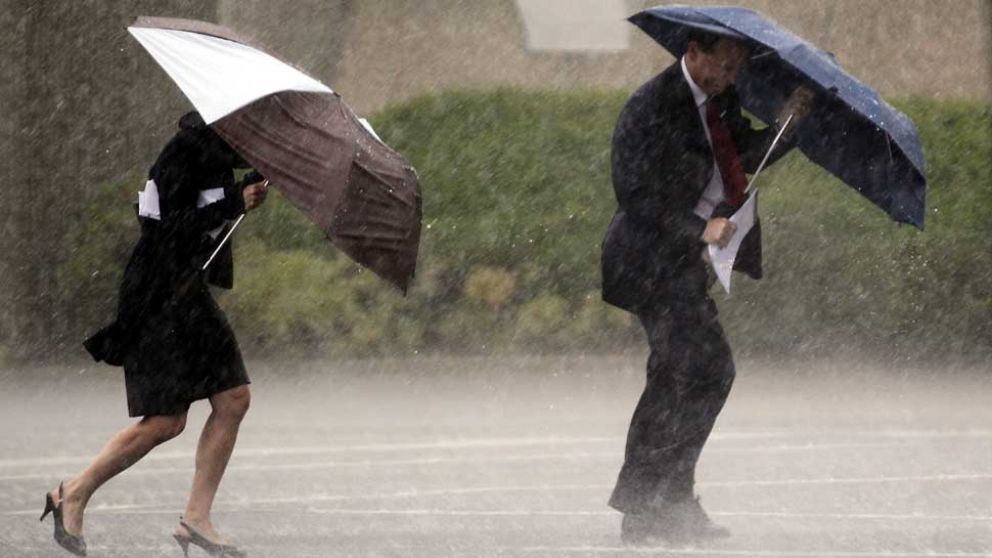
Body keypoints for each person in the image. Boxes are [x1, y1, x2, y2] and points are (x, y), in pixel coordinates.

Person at [601, 31, 813, 544]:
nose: (730, 77)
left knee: (679, 375)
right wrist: (697, 229)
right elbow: (632, 191)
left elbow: (739, 158)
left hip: (683, 265)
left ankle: (654, 503)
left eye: (736, 69)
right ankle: (661, 501)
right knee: (706, 369)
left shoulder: (721, 102)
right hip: (646, 261)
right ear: (692, 52)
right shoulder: (650, 106)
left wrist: (787, 126)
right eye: (723, 66)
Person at [40, 112, 268, 557]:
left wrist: (248, 194)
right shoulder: (184, 152)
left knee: (233, 399)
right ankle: (75, 492)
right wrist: (234, 203)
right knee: (166, 420)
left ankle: (196, 519)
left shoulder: (222, 159)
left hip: (188, 294)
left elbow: (207, 224)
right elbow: (162, 226)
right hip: (157, 295)